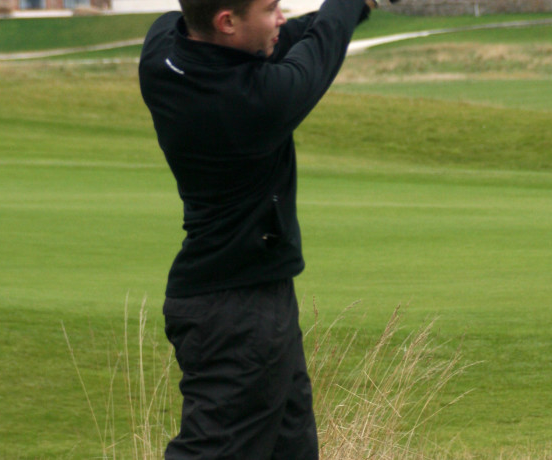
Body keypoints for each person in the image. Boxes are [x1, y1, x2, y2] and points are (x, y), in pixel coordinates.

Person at [138, 0, 377, 456]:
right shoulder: (256, 102)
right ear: (226, 22)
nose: (282, 17)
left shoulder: (160, 50)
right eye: (271, 9)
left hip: (237, 298)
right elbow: (317, 53)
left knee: (291, 450)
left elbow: (283, 38)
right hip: (237, 316)